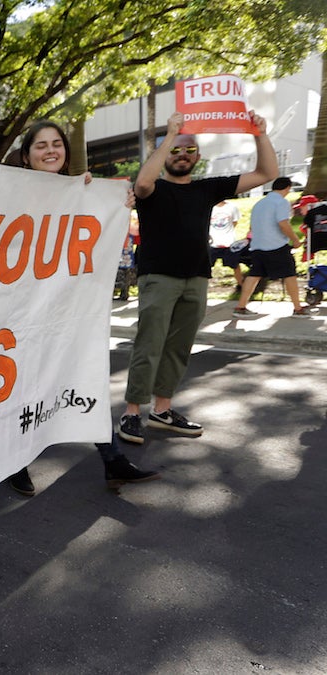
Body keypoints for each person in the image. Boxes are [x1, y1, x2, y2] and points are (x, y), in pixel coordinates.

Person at [5, 121, 158, 497]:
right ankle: (13, 463)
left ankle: (113, 461)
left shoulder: (84, 193)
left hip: (65, 313)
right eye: (41, 146)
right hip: (21, 314)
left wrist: (114, 205)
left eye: (57, 144)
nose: (50, 150)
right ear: (27, 156)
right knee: (21, 389)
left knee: (84, 379)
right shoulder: (8, 193)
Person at [118, 111, 277, 444]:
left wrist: (260, 133)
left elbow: (267, 173)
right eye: (176, 149)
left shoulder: (207, 189)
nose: (181, 155)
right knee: (149, 344)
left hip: (196, 279)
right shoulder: (153, 189)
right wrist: (172, 135)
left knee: (179, 347)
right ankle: (132, 413)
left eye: (189, 150)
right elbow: (143, 183)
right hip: (158, 277)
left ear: (198, 157)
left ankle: (162, 411)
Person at [232, 177, 310, 318]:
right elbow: (283, 223)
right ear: (287, 188)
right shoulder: (281, 202)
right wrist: (295, 240)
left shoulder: (259, 204)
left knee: (254, 275)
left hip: (257, 245)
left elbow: (251, 226)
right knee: (289, 274)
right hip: (276, 245)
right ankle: (298, 308)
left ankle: (240, 306)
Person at [209, 198, 245, 295]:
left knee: (235, 265)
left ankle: (241, 285)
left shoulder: (232, 207)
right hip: (212, 243)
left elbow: (235, 222)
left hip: (229, 243)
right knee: (206, 266)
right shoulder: (209, 207)